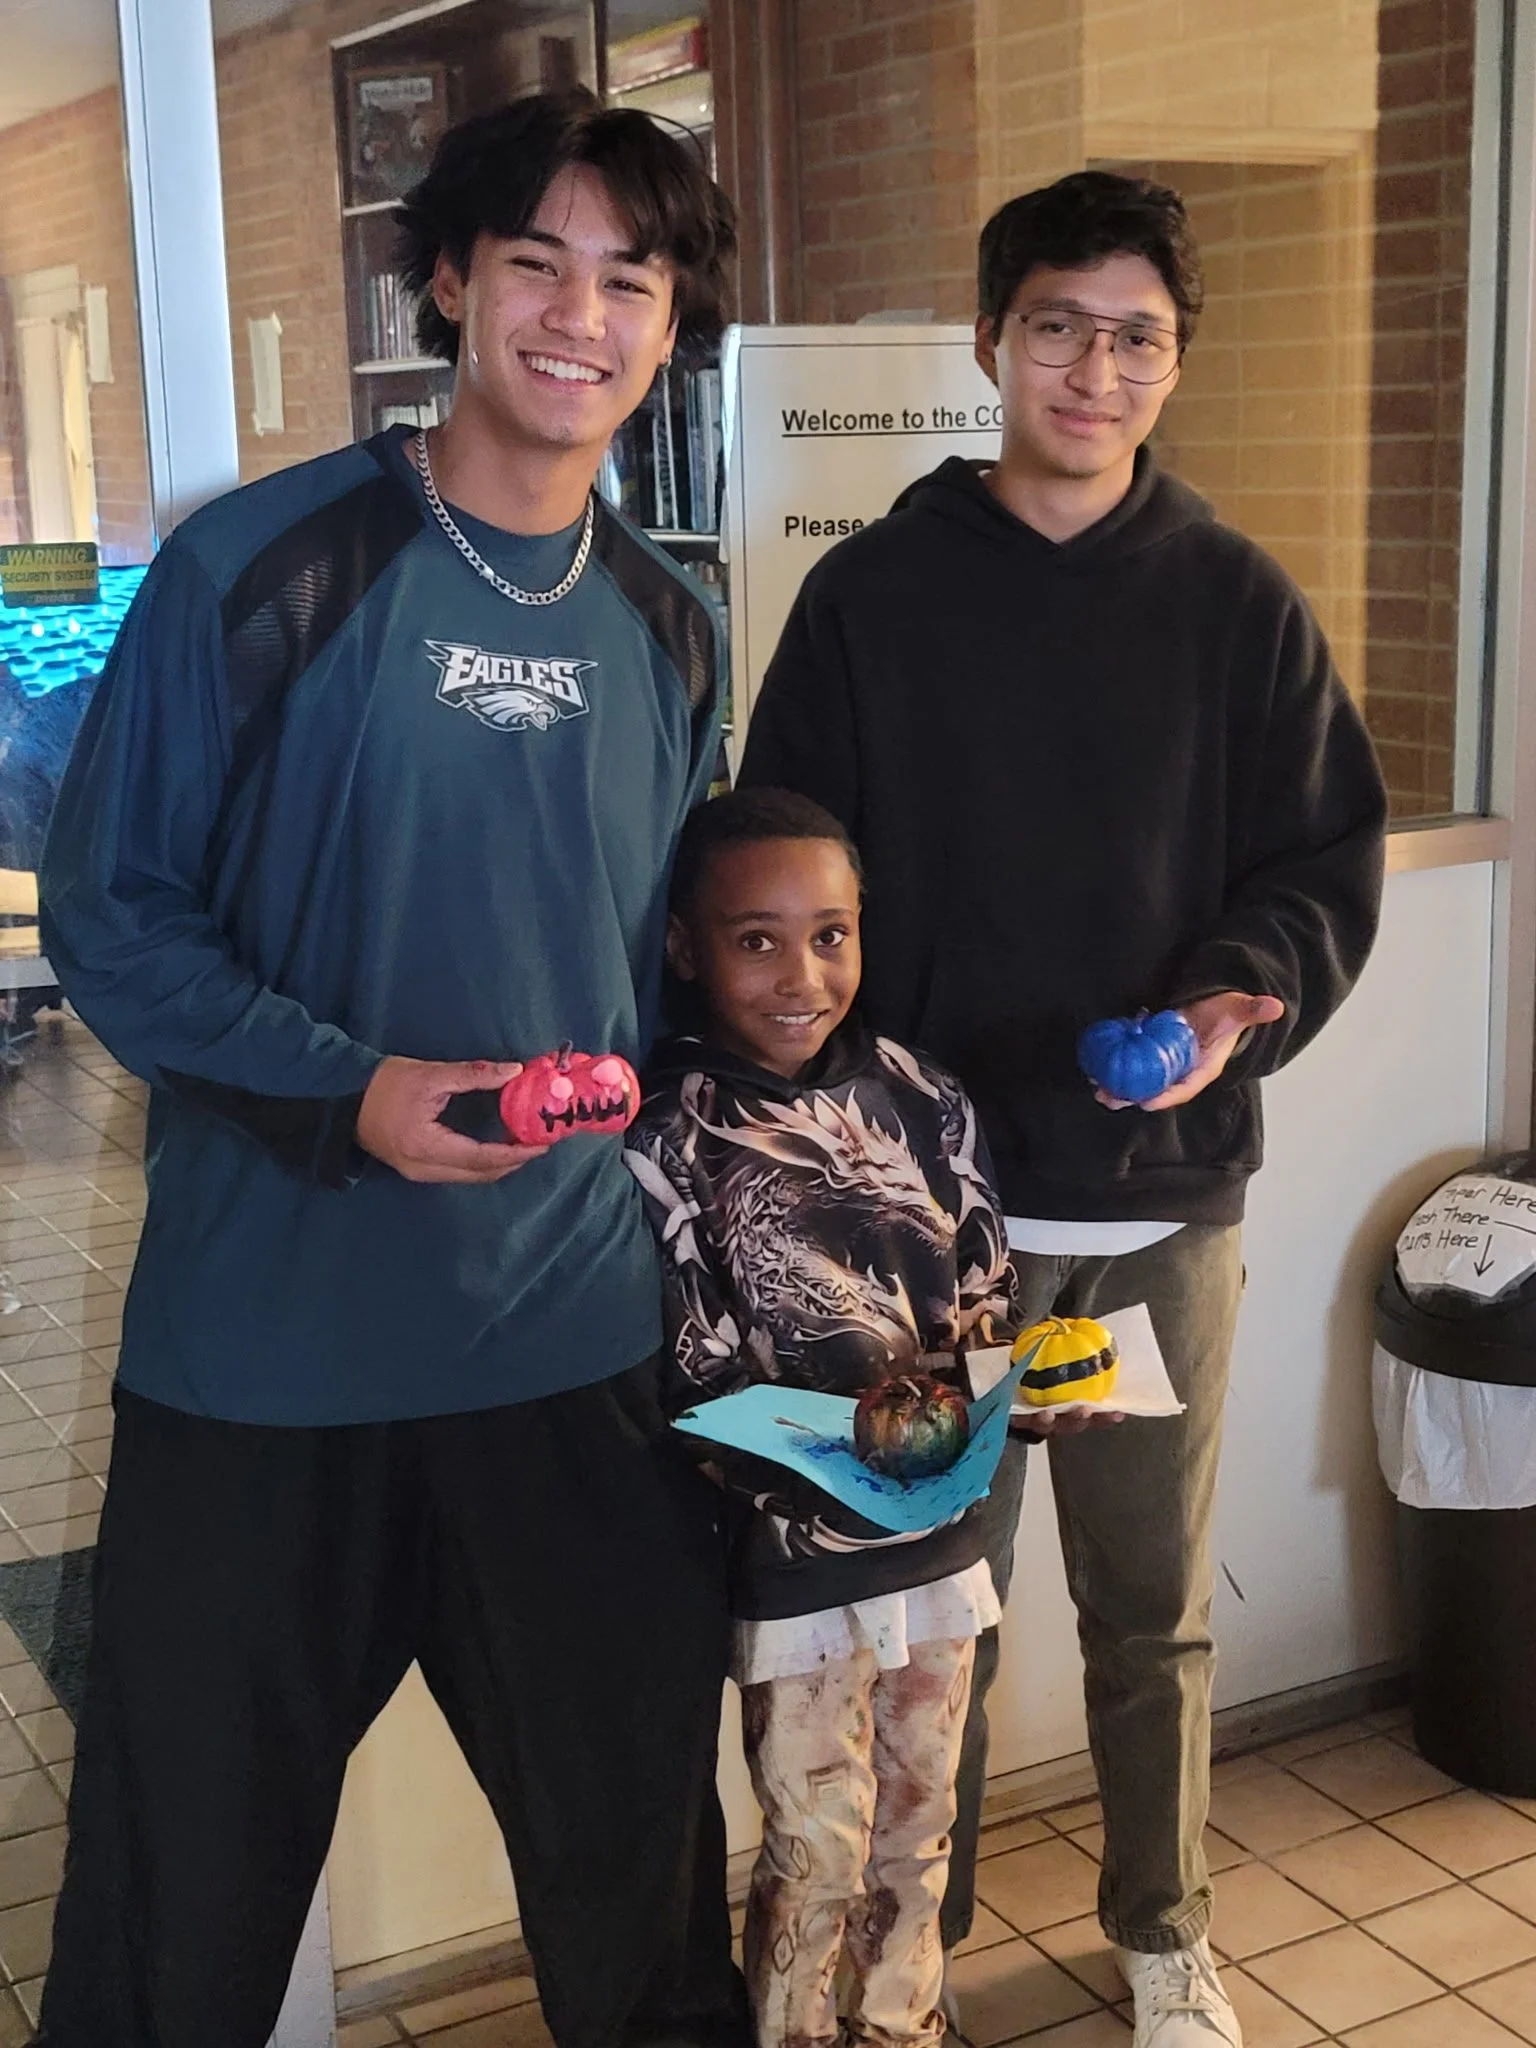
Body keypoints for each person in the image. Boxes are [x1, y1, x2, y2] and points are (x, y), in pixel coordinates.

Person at [35, 92, 746, 2048]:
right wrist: (350, 1091)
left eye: (635, 279)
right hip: (266, 1371)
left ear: (673, 326)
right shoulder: (263, 571)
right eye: (537, 263)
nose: (582, 317)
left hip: (573, 1367)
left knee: (649, 1918)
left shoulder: (672, 630)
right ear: (448, 280)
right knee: (171, 1925)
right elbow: (114, 917)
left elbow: (662, 990)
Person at [738, 171, 1387, 2048]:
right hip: (930, 1225)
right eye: (1056, 328)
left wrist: (1217, 1008)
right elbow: (787, 889)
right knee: (928, 1620)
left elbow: (1320, 860)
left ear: (1173, 362)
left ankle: (1167, 1926)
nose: (1092, 372)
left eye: (1135, 339)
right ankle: (898, 1954)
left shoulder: (1233, 602)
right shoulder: (873, 595)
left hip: (1155, 1208)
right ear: (988, 337)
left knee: (1149, 1609)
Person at [624, 788, 1016, 2048]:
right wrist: (842, 1451)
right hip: (791, 1572)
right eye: (758, 939)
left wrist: (1028, 1393)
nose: (802, 973)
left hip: (940, 1552)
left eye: (831, 934)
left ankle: (903, 2029)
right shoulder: (664, 1130)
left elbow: (985, 1294)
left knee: (922, 1830)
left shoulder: (926, 1096)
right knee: (818, 1846)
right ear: (686, 944)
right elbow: (690, 1380)